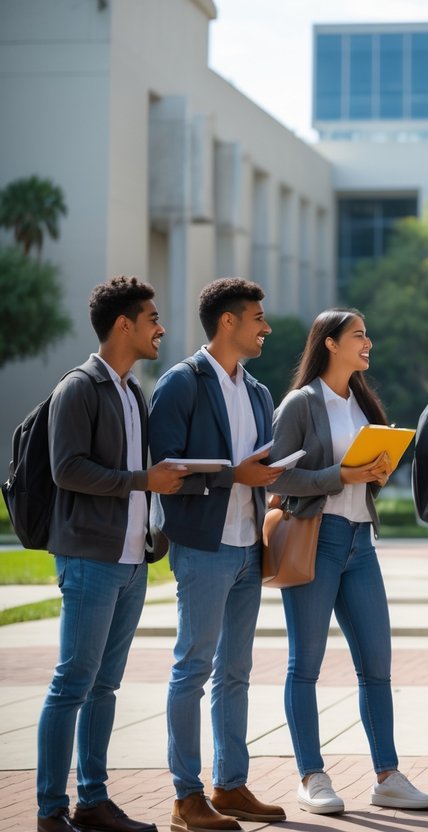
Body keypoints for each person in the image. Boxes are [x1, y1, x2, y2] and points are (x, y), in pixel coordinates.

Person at [36, 277, 189, 832]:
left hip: (130, 561)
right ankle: (50, 811)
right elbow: (66, 469)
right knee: (72, 683)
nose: (160, 328)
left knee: (104, 685)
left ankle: (93, 800)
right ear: (124, 324)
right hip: (88, 559)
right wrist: (141, 480)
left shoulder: (132, 391)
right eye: (152, 318)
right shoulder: (79, 388)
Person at [268, 309, 428, 813]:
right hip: (317, 538)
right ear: (330, 344)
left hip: (361, 543)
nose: (368, 343)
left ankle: (387, 775)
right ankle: (312, 776)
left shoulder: (364, 404)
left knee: (377, 667)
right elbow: (275, 478)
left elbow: (362, 477)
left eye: (367, 335)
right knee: (306, 666)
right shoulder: (300, 403)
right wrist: (339, 475)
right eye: (358, 336)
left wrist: (375, 471)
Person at [149, 278, 285, 830]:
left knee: (236, 672)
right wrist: (236, 476)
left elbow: (259, 465)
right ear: (228, 322)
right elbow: (165, 471)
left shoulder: (258, 392)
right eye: (257, 317)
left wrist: (272, 479)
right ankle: (186, 798)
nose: (266, 327)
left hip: (249, 547)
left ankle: (229, 787)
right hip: (203, 548)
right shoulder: (181, 383)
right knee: (192, 668)